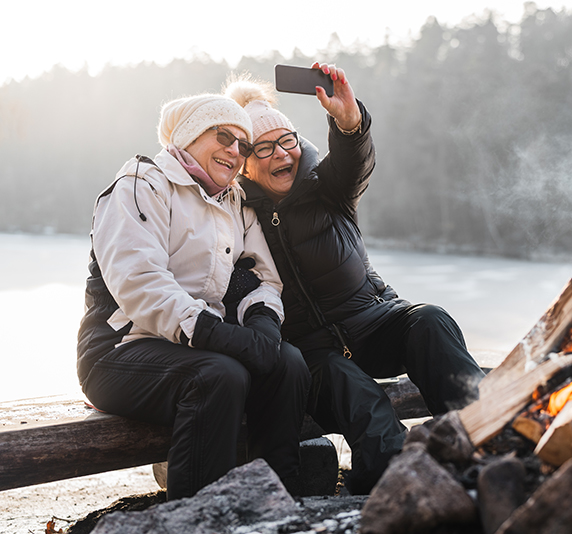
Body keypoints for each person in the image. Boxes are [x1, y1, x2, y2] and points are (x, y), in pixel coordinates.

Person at [224, 64, 485, 494]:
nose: (281, 154)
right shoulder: (236, 216)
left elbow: (353, 158)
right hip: (314, 360)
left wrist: (349, 122)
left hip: (374, 323)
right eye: (263, 148)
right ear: (244, 163)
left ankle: (485, 434)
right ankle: (396, 481)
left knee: (431, 320)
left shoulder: (326, 187)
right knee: (359, 397)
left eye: (286, 141)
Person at [76, 92, 311, 500]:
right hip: (119, 351)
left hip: (198, 348)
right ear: (189, 136)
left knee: (287, 363)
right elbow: (139, 282)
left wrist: (263, 325)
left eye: (243, 144)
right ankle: (198, 516)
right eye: (223, 136)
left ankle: (274, 504)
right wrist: (216, 334)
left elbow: (262, 277)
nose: (234, 151)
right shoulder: (141, 182)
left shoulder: (234, 201)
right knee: (217, 376)